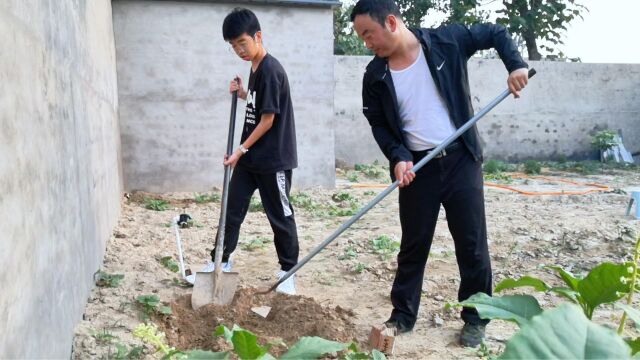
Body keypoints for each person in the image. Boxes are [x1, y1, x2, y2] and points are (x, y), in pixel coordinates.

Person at [350, 0, 529, 347]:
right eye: (361, 37)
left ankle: (476, 317)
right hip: (418, 168)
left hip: (461, 158)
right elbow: (379, 124)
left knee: (472, 244)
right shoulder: (375, 75)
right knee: (413, 245)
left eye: (368, 34)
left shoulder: (446, 41)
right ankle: (402, 316)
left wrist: (515, 65)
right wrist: (398, 158)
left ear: (390, 22)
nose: (367, 43)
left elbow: (495, 32)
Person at [186, 7, 299, 295]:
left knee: (280, 216)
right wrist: (243, 94)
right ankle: (220, 261)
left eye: (242, 43)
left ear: (257, 36)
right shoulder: (256, 68)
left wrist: (240, 150)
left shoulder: (272, 70)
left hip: (272, 159)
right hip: (250, 159)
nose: (238, 50)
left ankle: (288, 272)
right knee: (232, 209)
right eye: (233, 46)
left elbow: (268, 119)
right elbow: (260, 104)